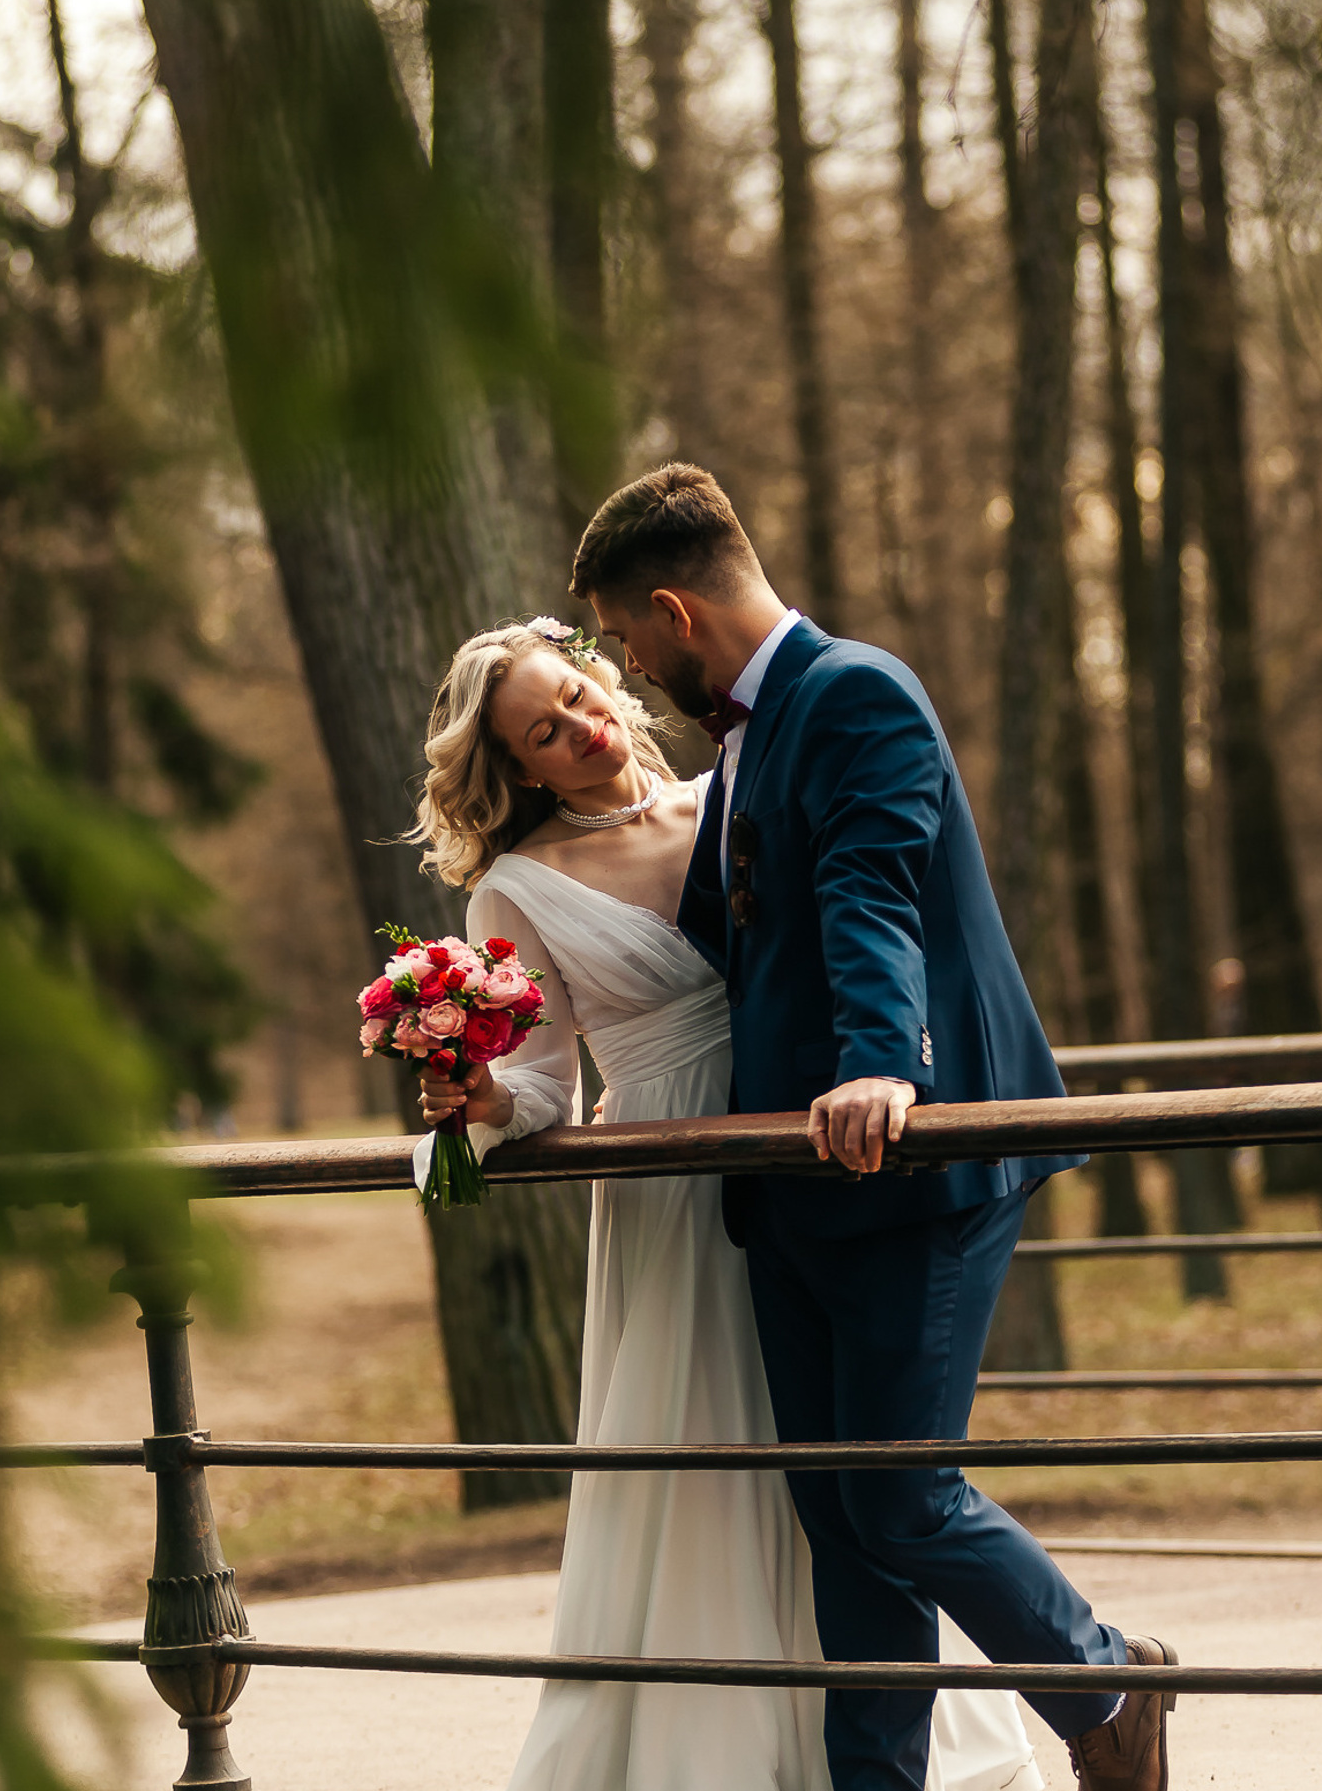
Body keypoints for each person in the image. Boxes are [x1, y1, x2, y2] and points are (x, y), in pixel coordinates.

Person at [569, 464, 1177, 1791]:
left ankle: (1106, 1687)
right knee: (839, 1518)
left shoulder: (854, 692)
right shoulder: (740, 741)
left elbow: (873, 888)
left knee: (899, 1495)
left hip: (912, 1166)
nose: (628, 663)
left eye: (624, 639)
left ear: (673, 609)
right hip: (788, 1184)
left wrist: (880, 1068)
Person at [409, 616, 1046, 1791]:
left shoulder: (733, 795)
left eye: (579, 695)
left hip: (799, 1150)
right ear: (517, 772)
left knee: (854, 1462)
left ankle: (882, 1750)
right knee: (712, 1458)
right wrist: (477, 1087)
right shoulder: (515, 888)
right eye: (543, 735)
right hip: (667, 1194)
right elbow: (541, 1089)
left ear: (607, 673)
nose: (583, 730)